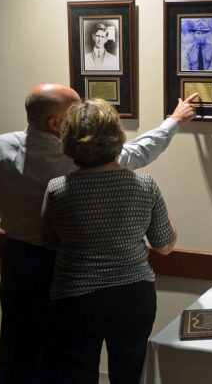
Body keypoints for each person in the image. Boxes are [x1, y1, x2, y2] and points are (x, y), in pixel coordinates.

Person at [0, 83, 197, 383]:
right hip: (80, 272)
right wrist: (174, 121)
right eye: (74, 110)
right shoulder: (78, 162)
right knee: (90, 363)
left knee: (22, 347)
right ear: (55, 124)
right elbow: (138, 152)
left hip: (23, 263)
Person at [41, 99, 177, 383]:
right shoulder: (145, 186)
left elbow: (49, 241)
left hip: (76, 298)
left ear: (68, 141)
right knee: (128, 375)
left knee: (76, 374)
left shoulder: (56, 190)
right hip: (132, 296)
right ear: (116, 137)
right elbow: (165, 246)